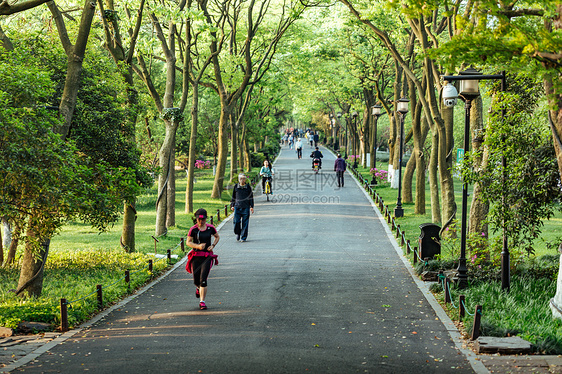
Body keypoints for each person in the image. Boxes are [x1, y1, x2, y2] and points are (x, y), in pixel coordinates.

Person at [186, 208, 219, 310]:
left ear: (206, 219)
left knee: (203, 279)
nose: (201, 222)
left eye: (203, 219)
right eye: (199, 220)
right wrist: (197, 246)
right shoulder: (193, 229)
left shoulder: (210, 228)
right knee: (196, 280)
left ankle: (202, 301)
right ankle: (197, 287)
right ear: (196, 219)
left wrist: (212, 245)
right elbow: (188, 242)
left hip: (207, 256)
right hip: (196, 256)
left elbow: (217, 237)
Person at [230, 173, 254, 242]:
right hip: (237, 207)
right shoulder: (236, 187)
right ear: (238, 179)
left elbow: (251, 197)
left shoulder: (248, 187)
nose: (242, 180)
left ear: (245, 179)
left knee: (245, 223)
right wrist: (232, 205)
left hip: (246, 207)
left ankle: (243, 237)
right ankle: (238, 233)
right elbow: (233, 197)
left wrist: (251, 206)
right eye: (241, 178)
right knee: (236, 222)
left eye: (243, 178)